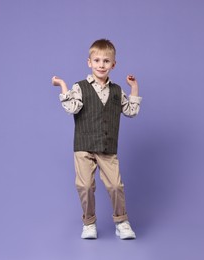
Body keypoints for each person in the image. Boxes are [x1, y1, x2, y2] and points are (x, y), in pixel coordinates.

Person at [51, 39, 142, 239]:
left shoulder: (117, 91)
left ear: (113, 65)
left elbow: (131, 111)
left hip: (107, 147)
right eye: (97, 60)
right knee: (84, 186)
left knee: (116, 186)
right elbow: (71, 108)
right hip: (84, 146)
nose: (101, 65)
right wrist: (63, 86)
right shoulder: (80, 87)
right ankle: (89, 222)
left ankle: (122, 221)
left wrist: (134, 87)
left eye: (106, 61)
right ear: (89, 62)